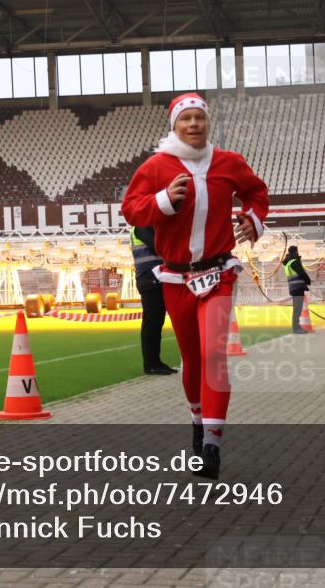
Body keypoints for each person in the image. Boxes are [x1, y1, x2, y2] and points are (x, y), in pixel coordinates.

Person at [122, 92, 269, 480]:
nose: (192, 125)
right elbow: (131, 209)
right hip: (175, 277)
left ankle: (212, 445)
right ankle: (198, 419)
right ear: (174, 125)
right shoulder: (157, 166)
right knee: (191, 358)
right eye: (185, 119)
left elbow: (256, 191)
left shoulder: (229, 163)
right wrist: (164, 200)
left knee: (213, 356)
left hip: (219, 272)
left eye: (198, 118)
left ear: (207, 124)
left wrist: (253, 218)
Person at [130, 226, 177, 375]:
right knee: (152, 324)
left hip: (155, 279)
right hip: (150, 279)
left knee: (156, 323)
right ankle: (151, 364)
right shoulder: (141, 226)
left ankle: (155, 362)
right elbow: (158, 246)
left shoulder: (146, 226)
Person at [282, 245, 311, 334]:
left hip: (293, 288)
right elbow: (301, 273)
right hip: (298, 288)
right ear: (296, 252)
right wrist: (308, 281)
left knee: (297, 309)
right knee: (297, 309)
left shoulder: (287, 263)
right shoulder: (294, 261)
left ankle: (296, 327)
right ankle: (296, 328)